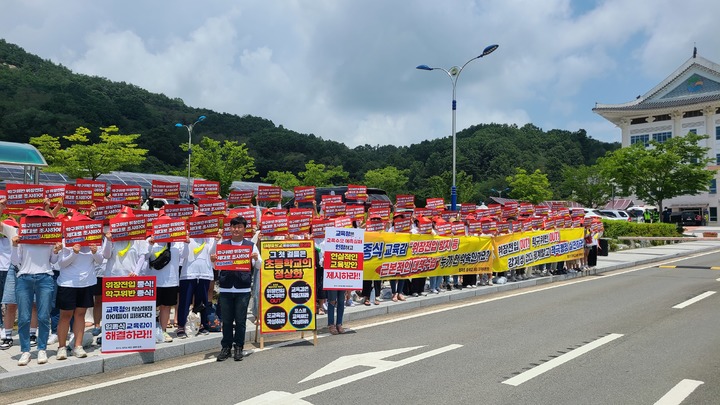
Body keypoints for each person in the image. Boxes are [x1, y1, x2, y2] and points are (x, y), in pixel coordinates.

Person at [10, 210, 61, 366]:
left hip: (45, 277)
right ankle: (25, 351)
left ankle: (42, 348)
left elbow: (53, 260)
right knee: (24, 317)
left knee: (43, 316)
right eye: (34, 219)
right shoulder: (22, 237)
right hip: (24, 278)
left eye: (41, 219)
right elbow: (15, 261)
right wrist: (14, 245)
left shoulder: (50, 238)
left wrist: (57, 250)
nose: (37, 221)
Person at [212, 216, 261, 362]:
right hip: (226, 288)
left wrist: (256, 258)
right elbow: (217, 266)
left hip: (243, 289)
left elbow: (259, 265)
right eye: (233, 227)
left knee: (240, 321)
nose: (236, 229)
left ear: (244, 229)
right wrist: (214, 260)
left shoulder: (250, 245)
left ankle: (238, 346)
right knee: (226, 320)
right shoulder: (223, 244)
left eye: (239, 227)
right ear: (230, 228)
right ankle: (226, 347)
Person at [55, 212, 103, 359]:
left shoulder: (94, 243)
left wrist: (94, 252)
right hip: (68, 283)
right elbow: (61, 263)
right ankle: (62, 347)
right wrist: (74, 253)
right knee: (65, 315)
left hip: (86, 283)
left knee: (80, 315)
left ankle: (78, 345)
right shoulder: (65, 243)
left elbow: (100, 261)